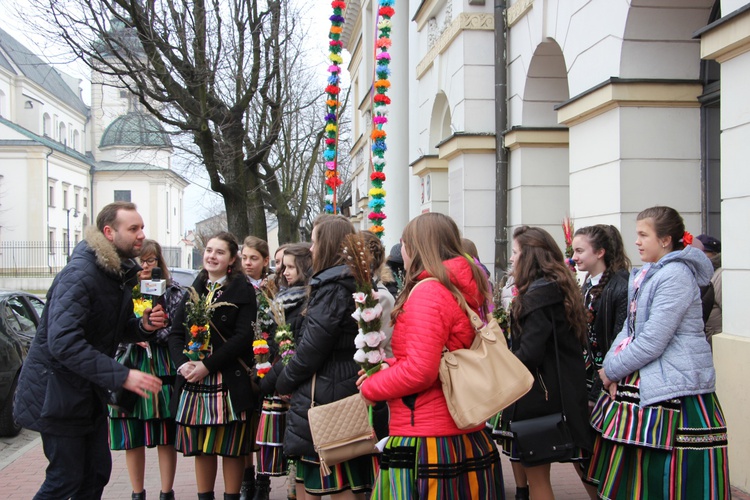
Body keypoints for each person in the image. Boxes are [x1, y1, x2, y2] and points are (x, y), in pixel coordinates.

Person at [14, 201, 167, 499]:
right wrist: (122, 376)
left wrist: (143, 327)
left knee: (95, 473)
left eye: (142, 227)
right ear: (109, 232)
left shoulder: (115, 273)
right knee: (65, 480)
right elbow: (64, 342)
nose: (141, 234)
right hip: (56, 393)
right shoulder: (81, 274)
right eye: (133, 228)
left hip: (85, 392)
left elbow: (111, 328)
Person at [586, 206, 730, 498]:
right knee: (642, 475)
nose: (636, 241)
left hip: (676, 387)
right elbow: (630, 328)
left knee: (669, 476)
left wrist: (609, 371)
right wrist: (612, 368)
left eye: (643, 234)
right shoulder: (649, 274)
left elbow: (653, 340)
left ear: (665, 240)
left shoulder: (675, 275)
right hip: (650, 380)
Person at [358, 212, 505, 499]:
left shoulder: (429, 291)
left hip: (427, 434)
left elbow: (420, 371)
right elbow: (438, 355)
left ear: (416, 247)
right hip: (459, 429)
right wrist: (388, 365)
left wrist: (372, 387)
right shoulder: (458, 286)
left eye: (404, 244)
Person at [261, 215, 379, 500]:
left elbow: (311, 350)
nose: (311, 249)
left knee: (336, 483)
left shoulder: (333, 288)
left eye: (314, 242)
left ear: (327, 245)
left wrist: (282, 382)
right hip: (338, 385)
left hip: (327, 393)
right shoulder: (345, 281)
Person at [501, 226, 592, 500]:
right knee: (582, 468)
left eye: (516, 253)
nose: (512, 259)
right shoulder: (557, 289)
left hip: (539, 400)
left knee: (538, 478)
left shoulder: (537, 297)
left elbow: (529, 353)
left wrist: (498, 367)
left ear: (529, 256)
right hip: (560, 393)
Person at [168, 232, 258, 500]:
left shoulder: (243, 291)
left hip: (227, 379)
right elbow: (175, 334)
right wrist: (183, 364)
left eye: (219, 252)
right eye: (208, 250)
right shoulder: (196, 288)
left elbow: (243, 338)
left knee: (231, 449)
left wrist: (207, 365)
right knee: (201, 447)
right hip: (193, 380)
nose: (212, 256)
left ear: (232, 259)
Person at [109, 240, 187, 500]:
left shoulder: (173, 290)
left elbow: (178, 329)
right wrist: (133, 335)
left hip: (162, 362)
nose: (145, 266)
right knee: (133, 432)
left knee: (165, 432)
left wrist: (153, 331)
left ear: (159, 262)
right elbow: (112, 328)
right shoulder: (123, 289)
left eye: (150, 260)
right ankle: (137, 493)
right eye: (141, 261)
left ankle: (167, 492)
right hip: (132, 361)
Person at [571, 225, 629, 404]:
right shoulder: (587, 286)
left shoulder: (619, 287)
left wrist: (598, 387)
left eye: (579, 251)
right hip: (585, 376)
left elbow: (617, 339)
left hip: (606, 377)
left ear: (600, 252)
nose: (574, 258)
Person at [239, 235, 273, 500]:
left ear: (265, 260)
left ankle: (263, 480)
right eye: (244, 258)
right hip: (242, 360)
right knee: (244, 422)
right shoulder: (237, 286)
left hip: (266, 361)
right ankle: (246, 478)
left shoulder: (272, 287)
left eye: (253, 258)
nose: (247, 263)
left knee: (262, 422)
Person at [697, 234, 722, 343]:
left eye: (705, 252)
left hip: (715, 338)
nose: (700, 255)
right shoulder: (697, 273)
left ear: (715, 254)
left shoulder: (720, 275)